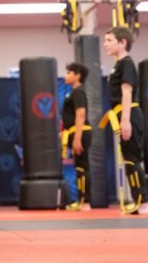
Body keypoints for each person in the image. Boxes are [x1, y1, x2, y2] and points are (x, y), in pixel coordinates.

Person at [104, 26, 148, 215]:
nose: (106, 44)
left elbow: (127, 92)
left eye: (109, 40)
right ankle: (137, 199)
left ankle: (144, 201)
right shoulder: (117, 65)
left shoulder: (126, 64)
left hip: (129, 113)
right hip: (121, 113)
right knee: (128, 160)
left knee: (133, 159)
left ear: (122, 43)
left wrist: (125, 121)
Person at [62, 62, 91, 211]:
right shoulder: (73, 92)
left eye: (68, 72)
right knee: (79, 167)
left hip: (81, 132)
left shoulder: (79, 92)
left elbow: (81, 114)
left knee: (82, 167)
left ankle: (85, 201)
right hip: (75, 132)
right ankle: (81, 200)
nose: (65, 75)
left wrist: (77, 138)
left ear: (77, 75)